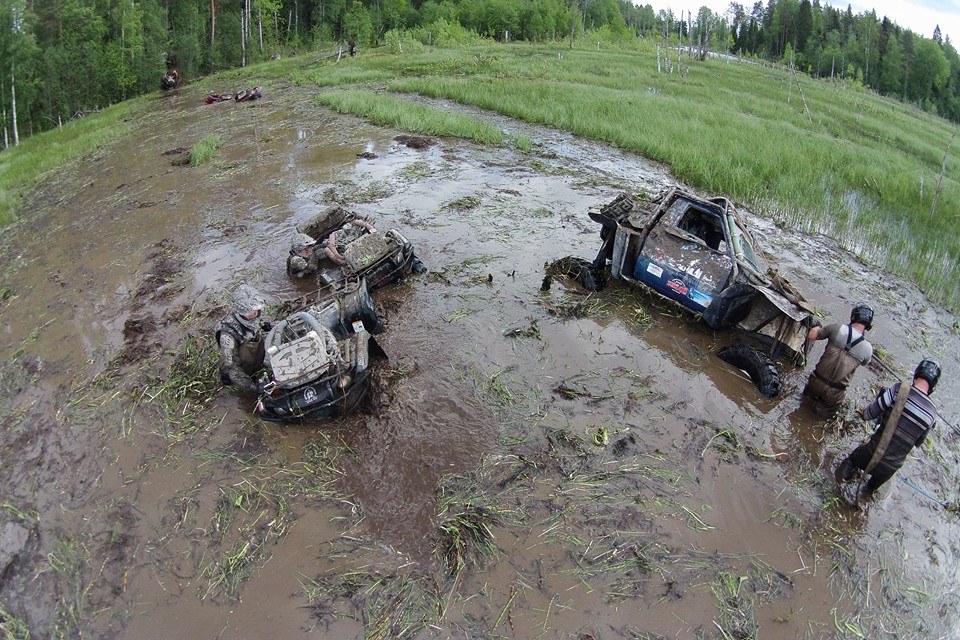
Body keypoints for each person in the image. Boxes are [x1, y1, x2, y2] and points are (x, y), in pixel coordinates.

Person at [834, 359, 940, 499]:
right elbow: (918, 442)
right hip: (890, 468)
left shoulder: (899, 389)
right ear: (933, 384)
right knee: (868, 492)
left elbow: (869, 414)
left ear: (917, 372)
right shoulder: (933, 413)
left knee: (852, 461)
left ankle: (835, 488)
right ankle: (864, 500)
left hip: (871, 454)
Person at [802, 303, 874, 417]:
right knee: (818, 420)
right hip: (835, 392)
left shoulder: (837, 328)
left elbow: (811, 336)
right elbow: (865, 363)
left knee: (802, 406)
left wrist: (817, 327)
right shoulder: (868, 349)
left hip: (815, 381)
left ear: (853, 316)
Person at [215, 284, 270, 394]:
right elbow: (232, 368)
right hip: (239, 373)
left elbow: (258, 322)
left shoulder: (255, 316)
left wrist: (266, 326)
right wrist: (253, 387)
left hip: (255, 361)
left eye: (256, 310)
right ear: (240, 311)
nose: (254, 314)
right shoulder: (227, 336)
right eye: (249, 312)